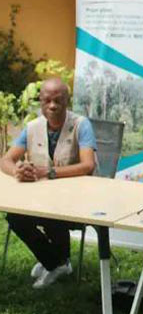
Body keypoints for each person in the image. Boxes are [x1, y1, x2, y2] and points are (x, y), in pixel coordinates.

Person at [0, 78, 96, 289]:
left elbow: (88, 165)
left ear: (67, 101)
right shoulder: (32, 127)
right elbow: (5, 160)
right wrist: (17, 171)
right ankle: (55, 262)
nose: (52, 106)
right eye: (47, 100)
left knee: (52, 215)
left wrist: (49, 172)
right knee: (15, 217)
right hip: (40, 197)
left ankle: (54, 262)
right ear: (41, 101)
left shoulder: (81, 125)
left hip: (75, 199)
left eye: (58, 100)